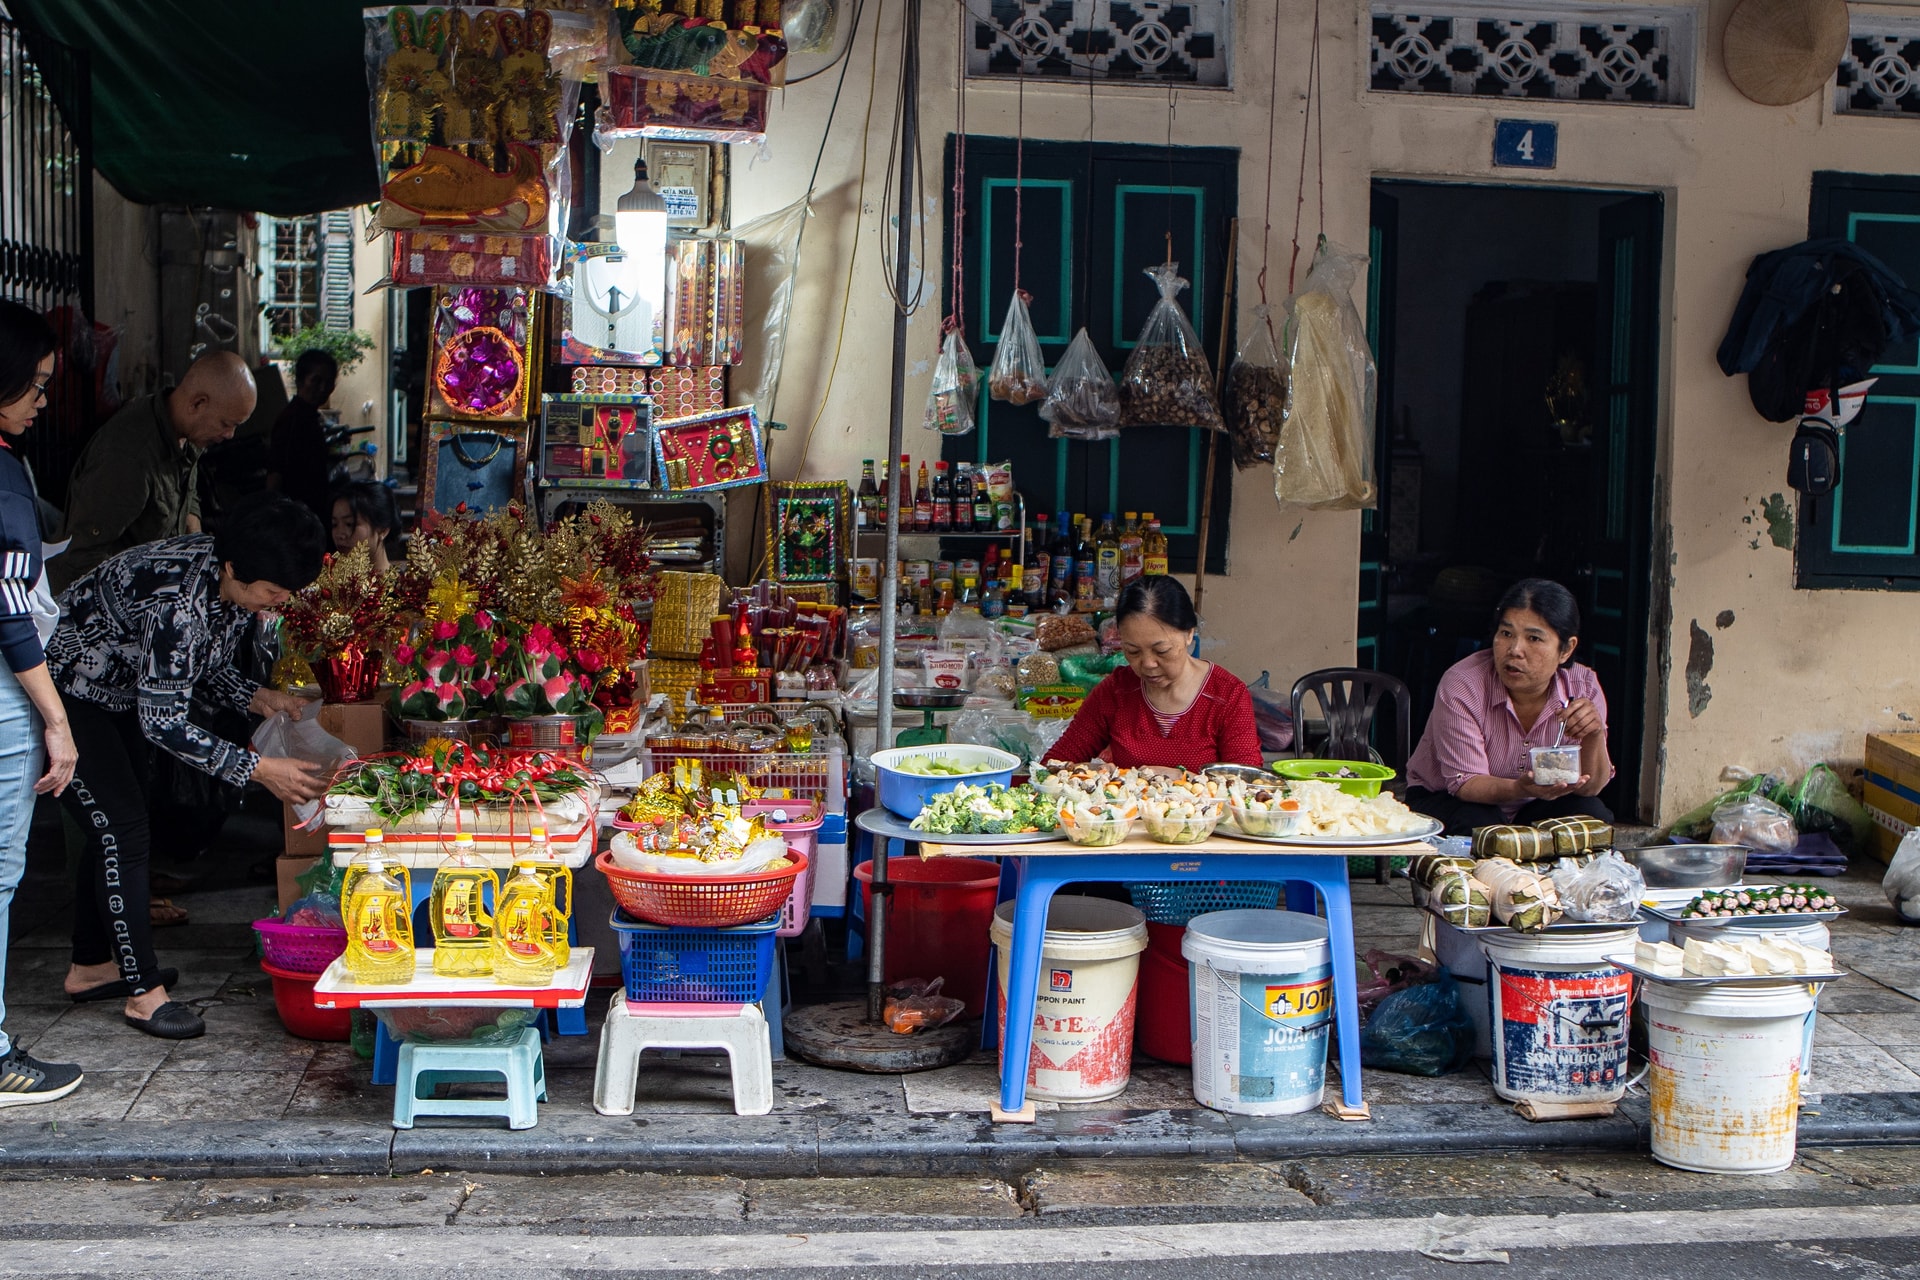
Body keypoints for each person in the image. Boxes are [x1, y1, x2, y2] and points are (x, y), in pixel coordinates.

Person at [49, 491, 330, 1040]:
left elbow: (202, 668)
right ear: (234, 569)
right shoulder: (175, 601)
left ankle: (90, 966)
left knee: (119, 825)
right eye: (272, 592)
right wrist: (259, 770)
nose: (278, 604)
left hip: (122, 696)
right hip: (68, 696)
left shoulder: (224, 582)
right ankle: (144, 994)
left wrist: (260, 698)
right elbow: (165, 723)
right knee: (122, 831)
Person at [0, 302, 81, 1105]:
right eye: (35, 384)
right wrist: (56, 721)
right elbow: (9, 611)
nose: (43, 400)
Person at [1404, 578, 1614, 835]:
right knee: (1485, 825)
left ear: (1566, 650)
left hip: (1534, 804)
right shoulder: (1463, 684)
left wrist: (1593, 735)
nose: (1515, 650)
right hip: (1448, 798)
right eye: (1506, 634)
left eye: (1534, 638)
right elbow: (1466, 783)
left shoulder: (1584, 687)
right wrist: (1520, 788)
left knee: (1592, 814)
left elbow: (1590, 788)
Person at [51, 350, 256, 593]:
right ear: (198, 403)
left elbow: (188, 500)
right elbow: (82, 556)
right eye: (226, 424)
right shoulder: (129, 456)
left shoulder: (189, 434)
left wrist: (199, 559)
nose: (229, 435)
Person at [1046, 576, 1261, 772]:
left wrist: (1183, 780)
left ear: (1189, 634)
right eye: (1132, 651)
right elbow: (1052, 764)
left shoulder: (1227, 695)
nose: (1148, 664)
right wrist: (1090, 774)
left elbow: (1247, 783)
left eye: (1162, 651)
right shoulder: (1116, 691)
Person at [267, 349, 339, 526]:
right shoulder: (291, 420)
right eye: (316, 381)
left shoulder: (310, 418)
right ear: (300, 381)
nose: (323, 388)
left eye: (328, 382)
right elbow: (276, 470)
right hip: (296, 517)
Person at [328, 480, 400, 574]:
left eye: (350, 524)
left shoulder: (404, 586)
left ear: (383, 530)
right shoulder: (328, 581)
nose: (339, 534)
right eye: (335, 524)